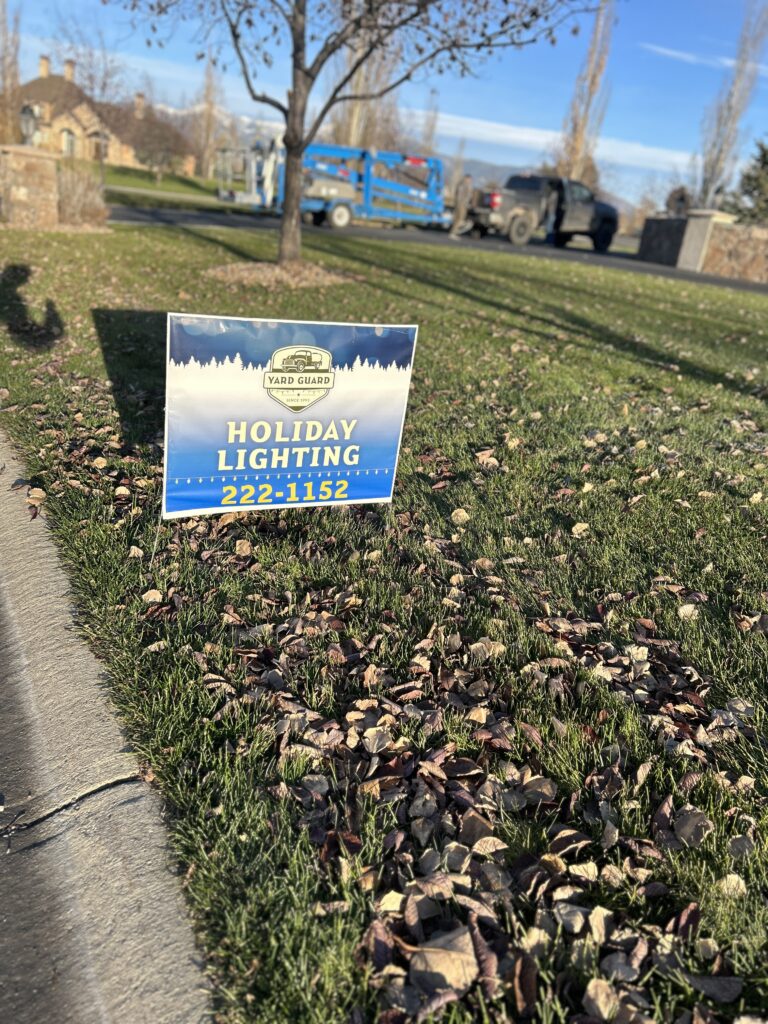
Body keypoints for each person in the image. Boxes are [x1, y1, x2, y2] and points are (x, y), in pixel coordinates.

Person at [450, 173, 473, 238]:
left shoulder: (467, 185)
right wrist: (461, 203)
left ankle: (454, 232)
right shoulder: (462, 185)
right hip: (461, 204)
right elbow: (459, 196)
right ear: (466, 178)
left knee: (459, 219)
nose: (470, 180)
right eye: (469, 179)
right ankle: (454, 232)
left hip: (463, 204)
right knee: (459, 218)